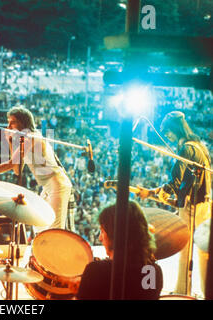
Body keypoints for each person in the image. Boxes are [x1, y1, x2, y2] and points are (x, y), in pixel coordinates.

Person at [138, 111, 211, 296]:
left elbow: (175, 181)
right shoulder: (199, 146)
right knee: (202, 251)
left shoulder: (186, 149)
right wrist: (161, 193)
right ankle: (203, 290)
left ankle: (182, 290)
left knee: (184, 248)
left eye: (168, 132)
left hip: (194, 206)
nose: (168, 136)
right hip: (203, 202)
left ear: (175, 129)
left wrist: (161, 192)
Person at [0, 106, 72, 230]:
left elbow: (11, 163)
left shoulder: (32, 136)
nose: (8, 126)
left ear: (22, 122)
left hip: (57, 184)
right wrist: (10, 141)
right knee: (39, 227)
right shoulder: (25, 140)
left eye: (12, 122)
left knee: (53, 230)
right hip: (47, 186)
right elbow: (17, 170)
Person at [74, 201, 163, 300]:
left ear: (114, 235)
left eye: (102, 232)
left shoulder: (96, 271)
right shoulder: (153, 272)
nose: (100, 238)